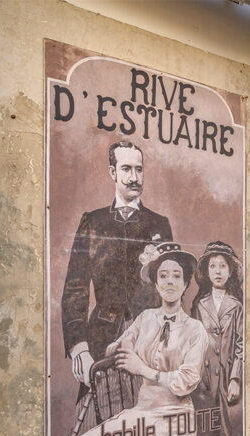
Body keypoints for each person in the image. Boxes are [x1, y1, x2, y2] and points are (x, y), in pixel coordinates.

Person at [49, 242, 208, 436]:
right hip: (141, 414)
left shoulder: (195, 329)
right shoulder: (146, 318)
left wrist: (143, 369)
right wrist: (111, 351)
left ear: (186, 282)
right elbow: (117, 347)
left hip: (174, 422)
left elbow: (186, 381)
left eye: (177, 276)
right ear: (156, 282)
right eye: (164, 276)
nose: (170, 282)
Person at [62, 141, 174, 395]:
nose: (134, 178)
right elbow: (75, 288)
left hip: (150, 340)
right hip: (102, 339)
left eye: (139, 169)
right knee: (101, 418)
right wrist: (79, 346)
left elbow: (171, 287)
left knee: (150, 416)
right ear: (112, 172)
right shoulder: (93, 222)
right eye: (126, 169)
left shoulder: (159, 224)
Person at [190, 241, 244, 436]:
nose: (218, 271)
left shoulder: (236, 306)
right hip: (205, 376)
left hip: (228, 374)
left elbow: (242, 344)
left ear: (230, 271)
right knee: (206, 418)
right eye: (213, 266)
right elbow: (193, 341)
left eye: (223, 266)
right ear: (206, 271)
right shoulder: (199, 305)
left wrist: (236, 379)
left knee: (231, 419)